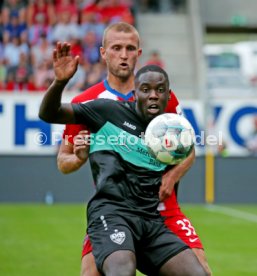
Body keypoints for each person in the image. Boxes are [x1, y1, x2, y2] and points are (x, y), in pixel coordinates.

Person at [57, 22, 212, 276]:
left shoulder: (162, 98)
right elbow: (63, 161)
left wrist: (171, 177)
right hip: (114, 210)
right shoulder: (86, 102)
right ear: (103, 53)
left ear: (139, 54)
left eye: (130, 48)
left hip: (162, 211)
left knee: (201, 270)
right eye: (116, 48)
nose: (124, 54)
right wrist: (78, 157)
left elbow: (189, 149)